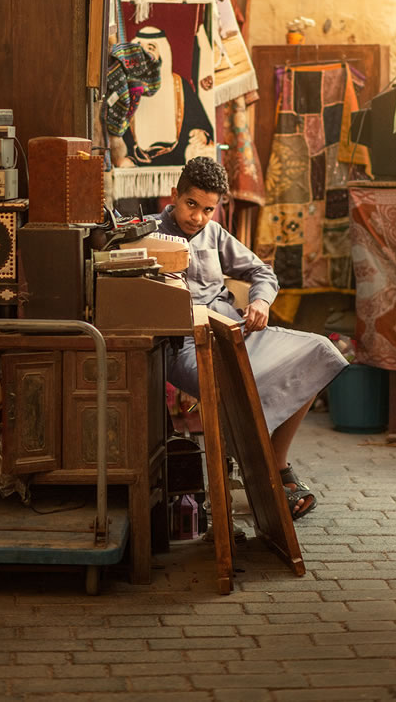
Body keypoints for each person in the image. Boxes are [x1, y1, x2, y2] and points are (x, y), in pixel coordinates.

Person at [156, 156, 349, 521]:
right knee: (238, 381)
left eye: (208, 209)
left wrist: (260, 301)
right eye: (191, 204)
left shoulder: (214, 234)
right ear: (175, 196)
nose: (197, 217)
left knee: (319, 352)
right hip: (185, 346)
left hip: (236, 330)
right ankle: (271, 476)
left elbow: (262, 270)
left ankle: (273, 465)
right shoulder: (148, 233)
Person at [118, 26, 214, 167]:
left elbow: (199, 122)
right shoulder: (125, 87)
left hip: (175, 158)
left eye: (150, 48)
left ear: (162, 53)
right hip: (136, 160)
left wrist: (201, 134)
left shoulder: (179, 86)